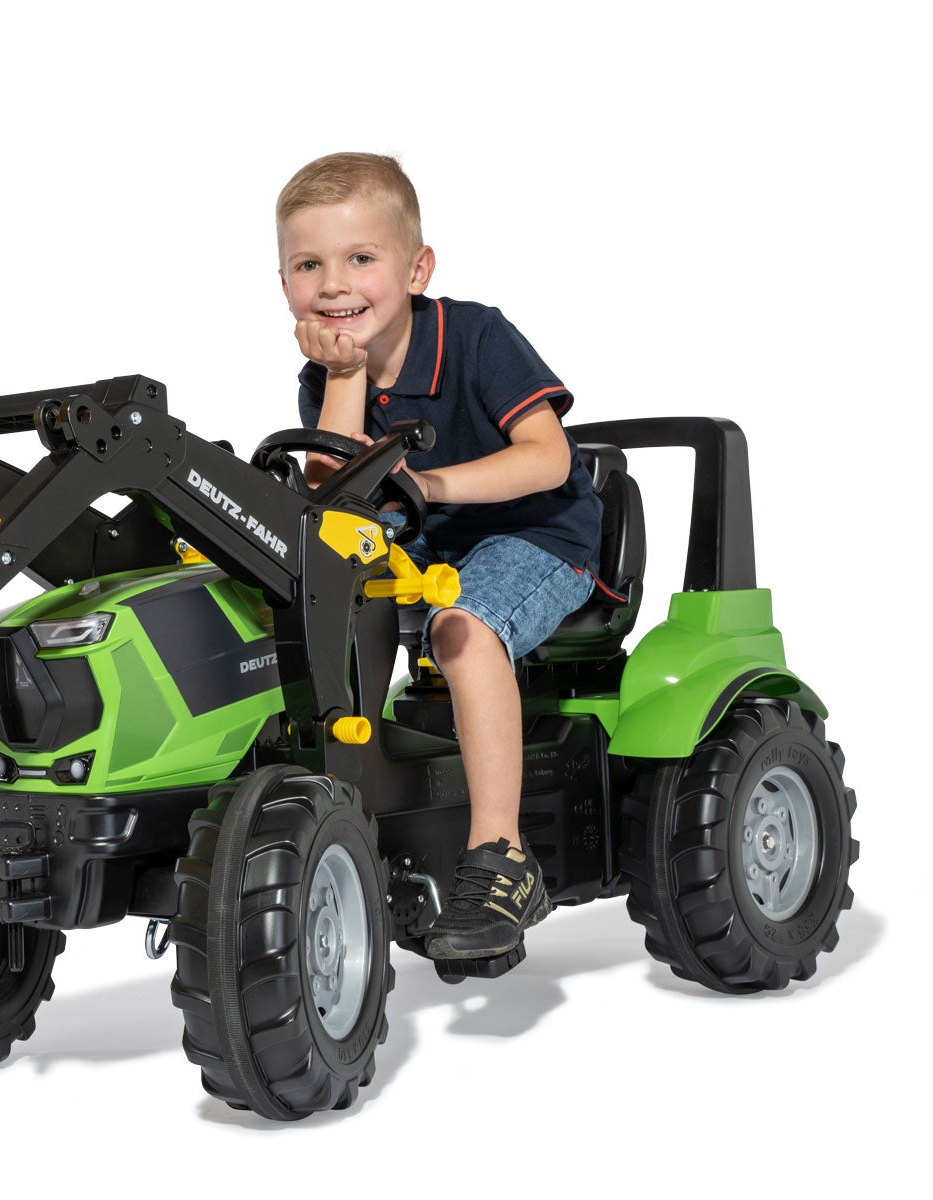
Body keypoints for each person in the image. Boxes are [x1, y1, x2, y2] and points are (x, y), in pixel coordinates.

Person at [278, 152, 604, 960]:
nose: (333, 284)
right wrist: (344, 373)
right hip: (417, 552)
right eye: (308, 265)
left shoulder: (476, 336)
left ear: (417, 269)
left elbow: (548, 459)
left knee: (461, 627)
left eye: (360, 258)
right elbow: (331, 498)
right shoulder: (326, 376)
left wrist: (431, 484)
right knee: (310, 607)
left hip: (534, 539)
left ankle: (502, 857)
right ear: (282, 282)